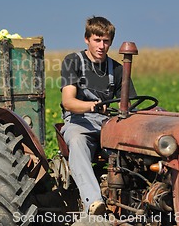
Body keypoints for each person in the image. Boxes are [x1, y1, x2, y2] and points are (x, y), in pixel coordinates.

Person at [60, 16, 136, 215]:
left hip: (108, 124)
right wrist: (91, 106)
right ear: (87, 39)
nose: (102, 46)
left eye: (106, 41)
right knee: (76, 141)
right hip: (79, 122)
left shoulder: (118, 69)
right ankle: (94, 203)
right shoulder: (73, 61)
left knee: (134, 151)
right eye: (97, 40)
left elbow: (130, 104)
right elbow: (68, 101)